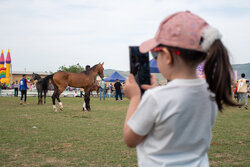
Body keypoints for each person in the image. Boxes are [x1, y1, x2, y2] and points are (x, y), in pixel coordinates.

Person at [123, 11, 239, 167]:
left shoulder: (156, 98)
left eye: (155, 54)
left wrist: (135, 98)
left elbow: (130, 139)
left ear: (167, 56)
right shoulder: (211, 93)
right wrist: (158, 90)